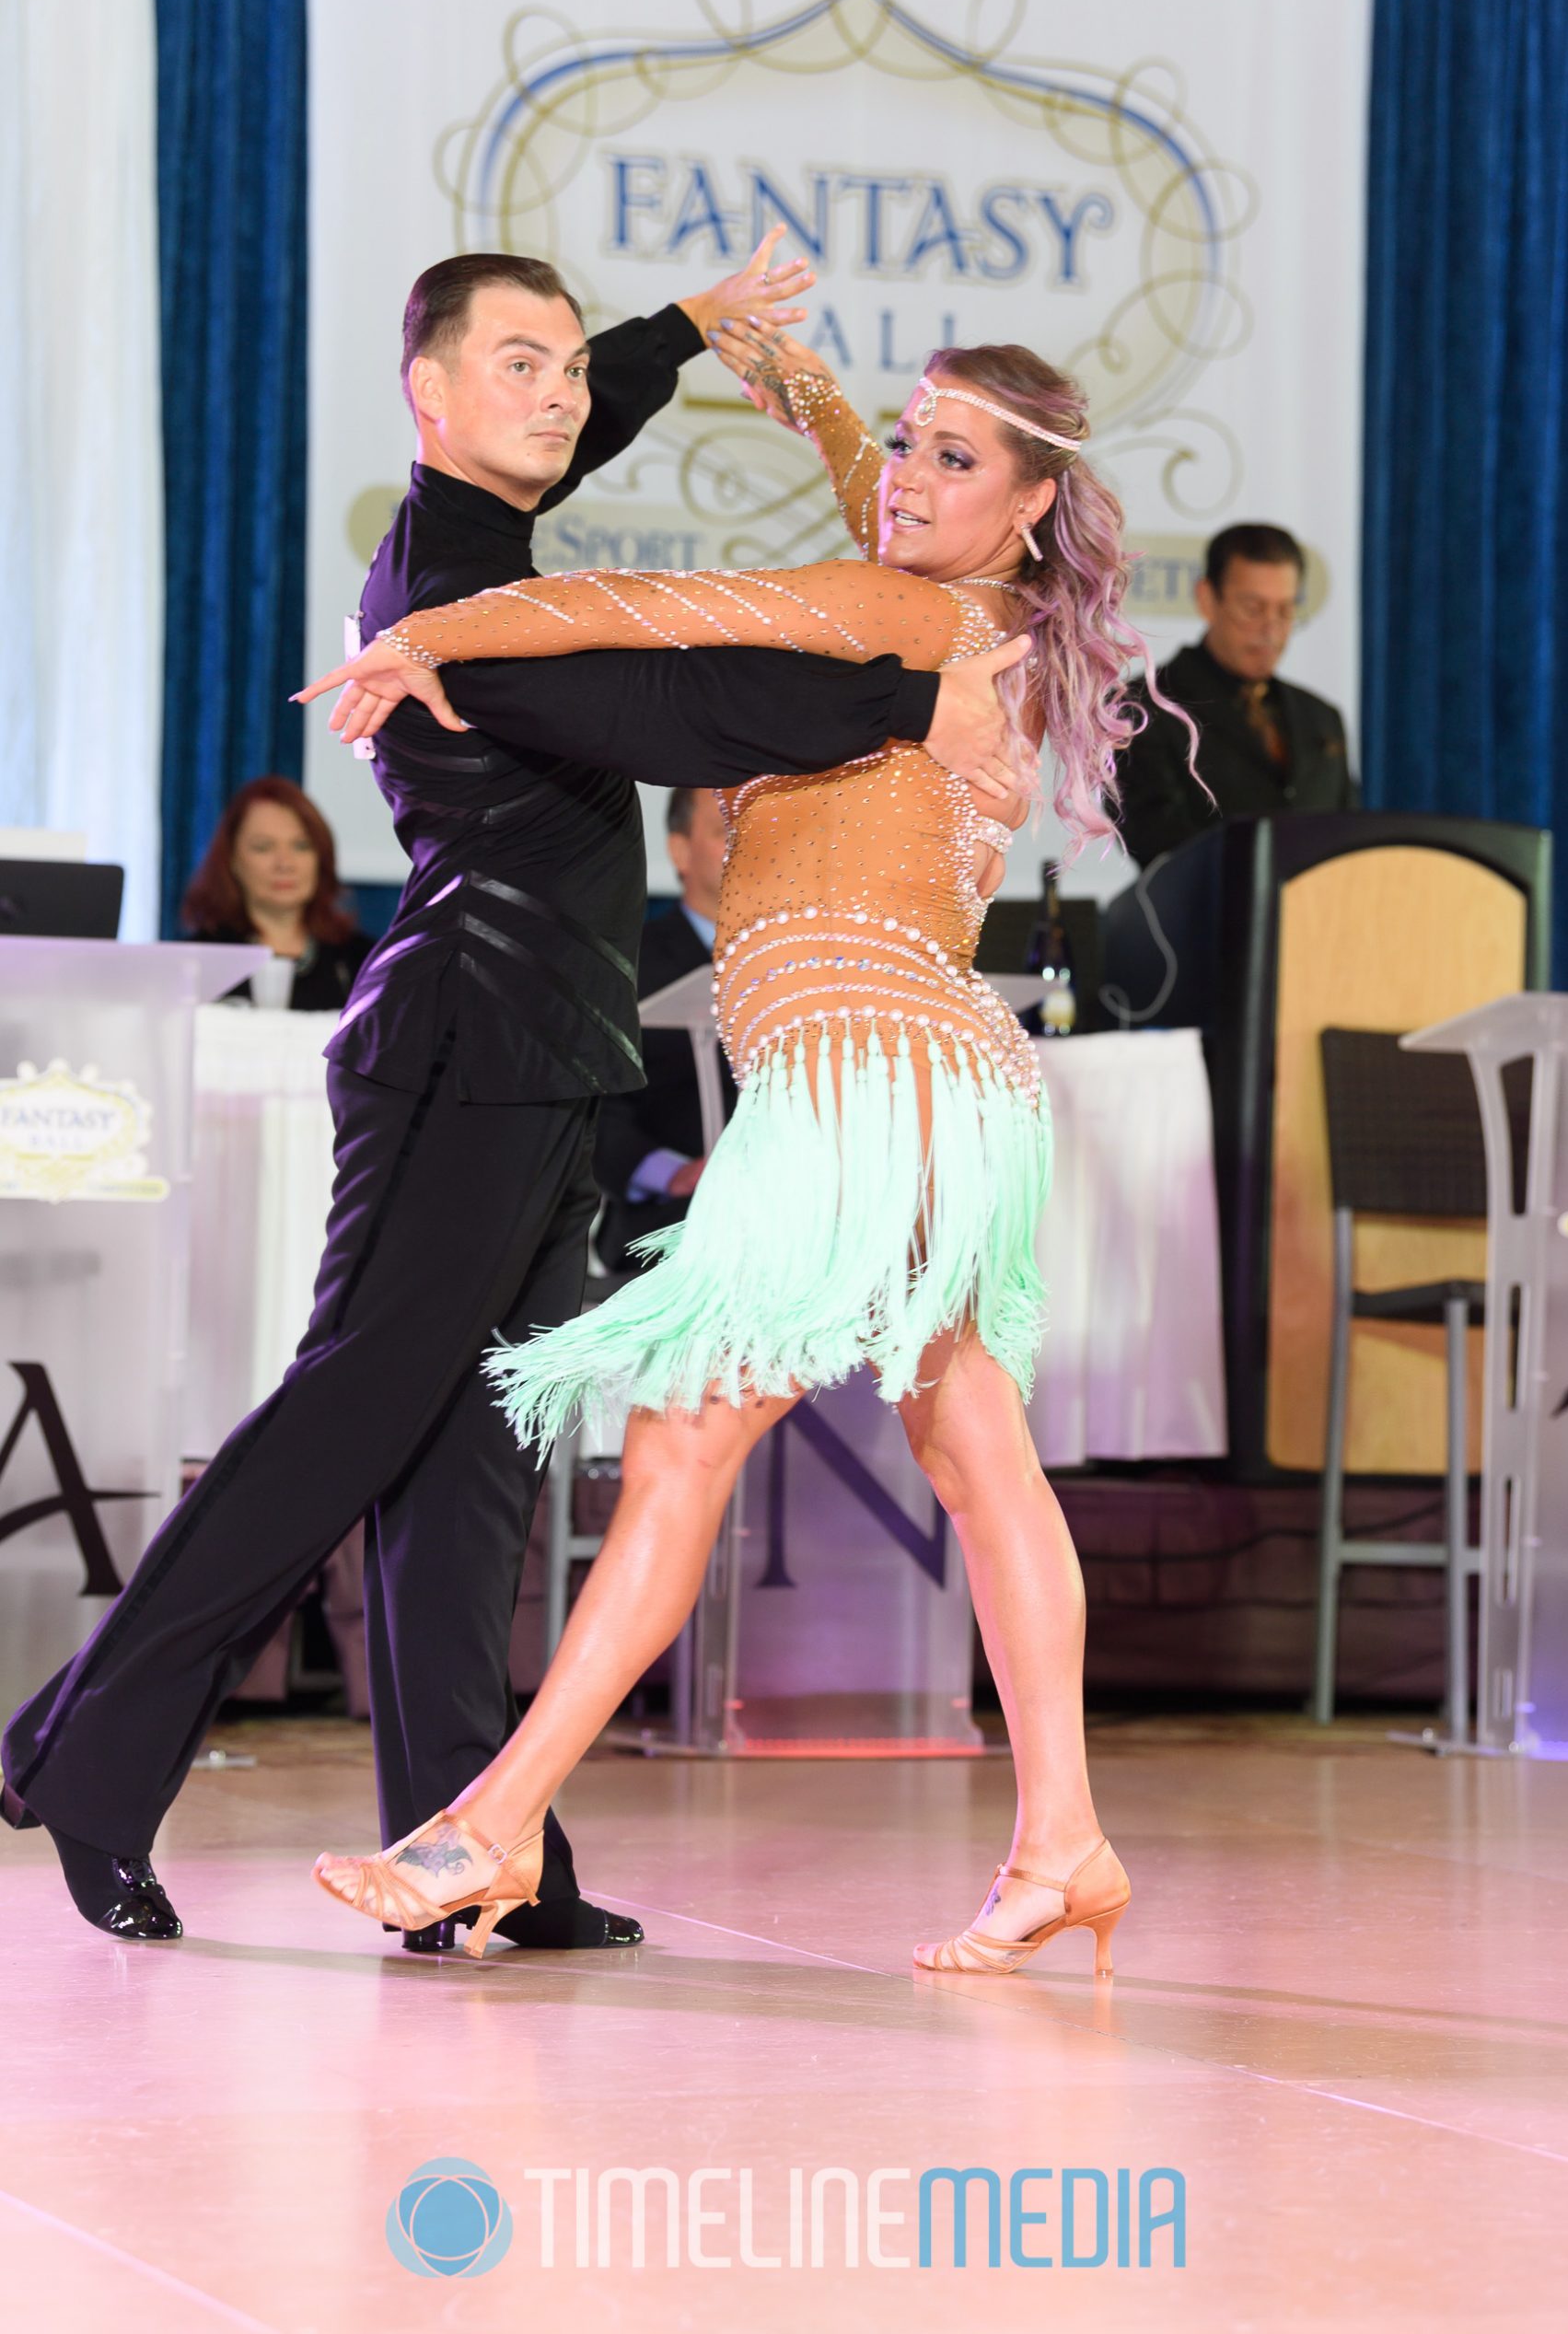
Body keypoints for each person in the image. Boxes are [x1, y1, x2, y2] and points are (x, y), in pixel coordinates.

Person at [0, 246, 1023, 1949]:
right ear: (430, 392)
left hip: (548, 1045)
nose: (558, 395)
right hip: (466, 1038)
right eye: (519, 367)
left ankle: (477, 1849)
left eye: (569, 368)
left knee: (473, 1461)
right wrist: (913, 700)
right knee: (345, 1422)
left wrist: (672, 336)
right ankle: (86, 1758)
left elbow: (581, 420)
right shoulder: (455, 599)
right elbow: (679, 694)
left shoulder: (491, 534)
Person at [298, 326, 1193, 1977]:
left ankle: (488, 1824)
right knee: (980, 1456)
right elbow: (905, 501)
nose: (908, 479)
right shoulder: (976, 612)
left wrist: (417, 630)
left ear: (1032, 499)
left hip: (863, 1082)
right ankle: (1060, 1840)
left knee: (686, 1449)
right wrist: (840, 412)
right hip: (941, 1082)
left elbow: (641, 610)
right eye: (907, 444)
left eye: (952, 459)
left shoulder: (899, 615)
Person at [1114, 523, 1354, 867]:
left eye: (1285, 610)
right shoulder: (1143, 708)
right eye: (1253, 609)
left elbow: (1350, 837)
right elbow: (1158, 842)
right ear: (1207, 599)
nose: (1270, 629)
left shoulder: (1321, 717)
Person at [593, 786, 732, 1275]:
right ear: (679, 850)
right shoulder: (625, 965)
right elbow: (594, 1110)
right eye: (725, 830)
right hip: (672, 1223)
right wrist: (676, 1174)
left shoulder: (817, 968)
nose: (749, 845)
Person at [182, 775, 375, 1012]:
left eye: (301, 846)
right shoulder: (197, 962)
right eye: (264, 847)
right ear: (232, 859)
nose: (285, 863)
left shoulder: (364, 961)